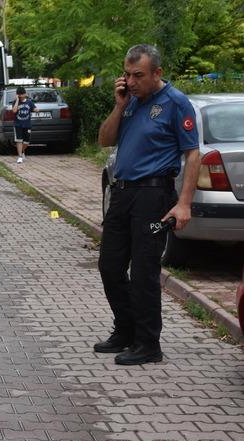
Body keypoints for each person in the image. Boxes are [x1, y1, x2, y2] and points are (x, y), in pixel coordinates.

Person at [95, 44, 200, 365]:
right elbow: (104, 140)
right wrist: (118, 106)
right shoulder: (130, 102)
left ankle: (148, 343)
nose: (131, 80)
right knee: (109, 265)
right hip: (122, 192)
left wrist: (184, 203)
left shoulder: (175, 103)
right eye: (127, 74)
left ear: (157, 73)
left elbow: (193, 154)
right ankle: (125, 331)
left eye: (138, 75)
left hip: (153, 195)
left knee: (143, 272)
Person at [12, 86, 38, 164]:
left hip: (27, 125)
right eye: (19, 95)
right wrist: (16, 100)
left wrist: (36, 110)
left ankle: (23, 151)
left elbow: (35, 108)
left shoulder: (29, 102)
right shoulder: (15, 102)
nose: (21, 96)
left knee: (26, 142)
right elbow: (14, 111)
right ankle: (20, 156)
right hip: (18, 125)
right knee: (19, 140)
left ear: (25, 94)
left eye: (22, 94)